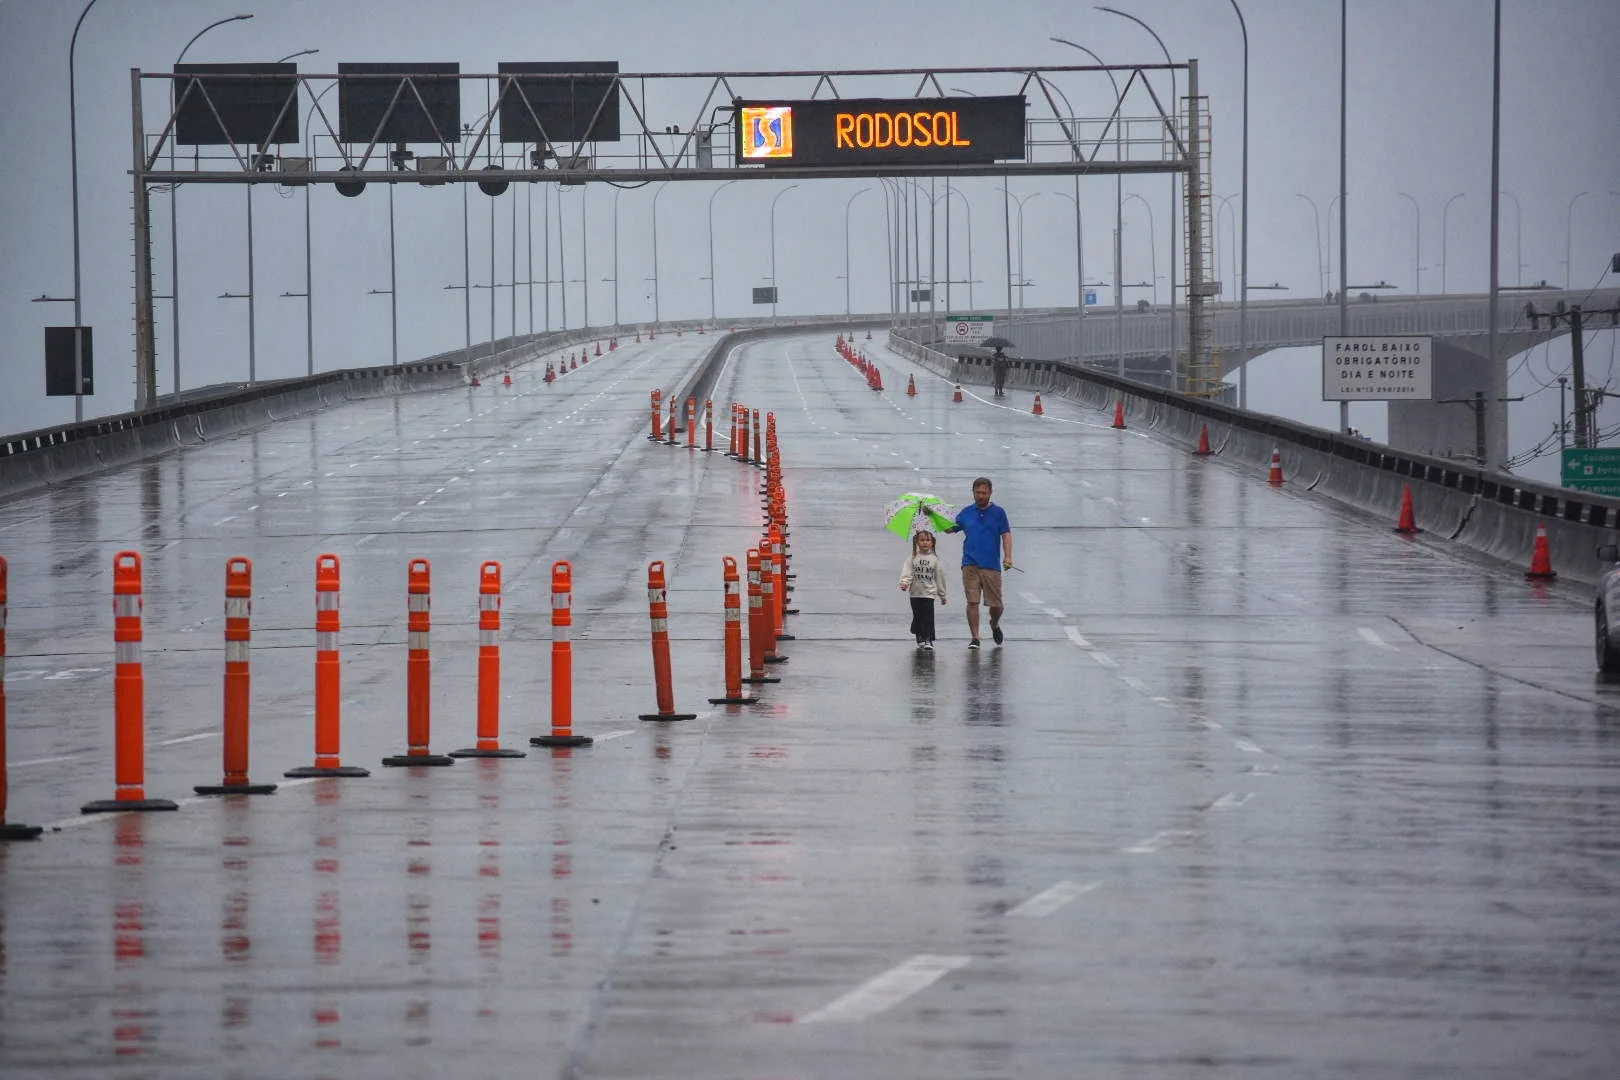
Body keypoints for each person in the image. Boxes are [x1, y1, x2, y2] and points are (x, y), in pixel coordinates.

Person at [944, 477, 1012, 649]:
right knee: (972, 602)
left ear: (990, 493)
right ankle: (975, 637)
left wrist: (1008, 557)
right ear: (973, 493)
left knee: (996, 605)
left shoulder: (999, 513)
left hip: (991, 565)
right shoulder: (966, 513)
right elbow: (950, 529)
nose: (981, 496)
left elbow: (1006, 535)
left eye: (984, 493)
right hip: (970, 564)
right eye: (978, 493)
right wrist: (933, 516)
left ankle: (994, 624)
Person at [897, 530, 947, 650]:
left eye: (928, 540)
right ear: (917, 542)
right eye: (922, 540)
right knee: (918, 616)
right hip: (915, 593)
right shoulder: (912, 557)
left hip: (929, 593)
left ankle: (928, 639)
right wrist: (904, 583)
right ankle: (919, 635)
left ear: (932, 543)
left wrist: (942, 594)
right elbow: (907, 572)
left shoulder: (934, 559)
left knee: (928, 617)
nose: (925, 542)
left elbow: (940, 577)